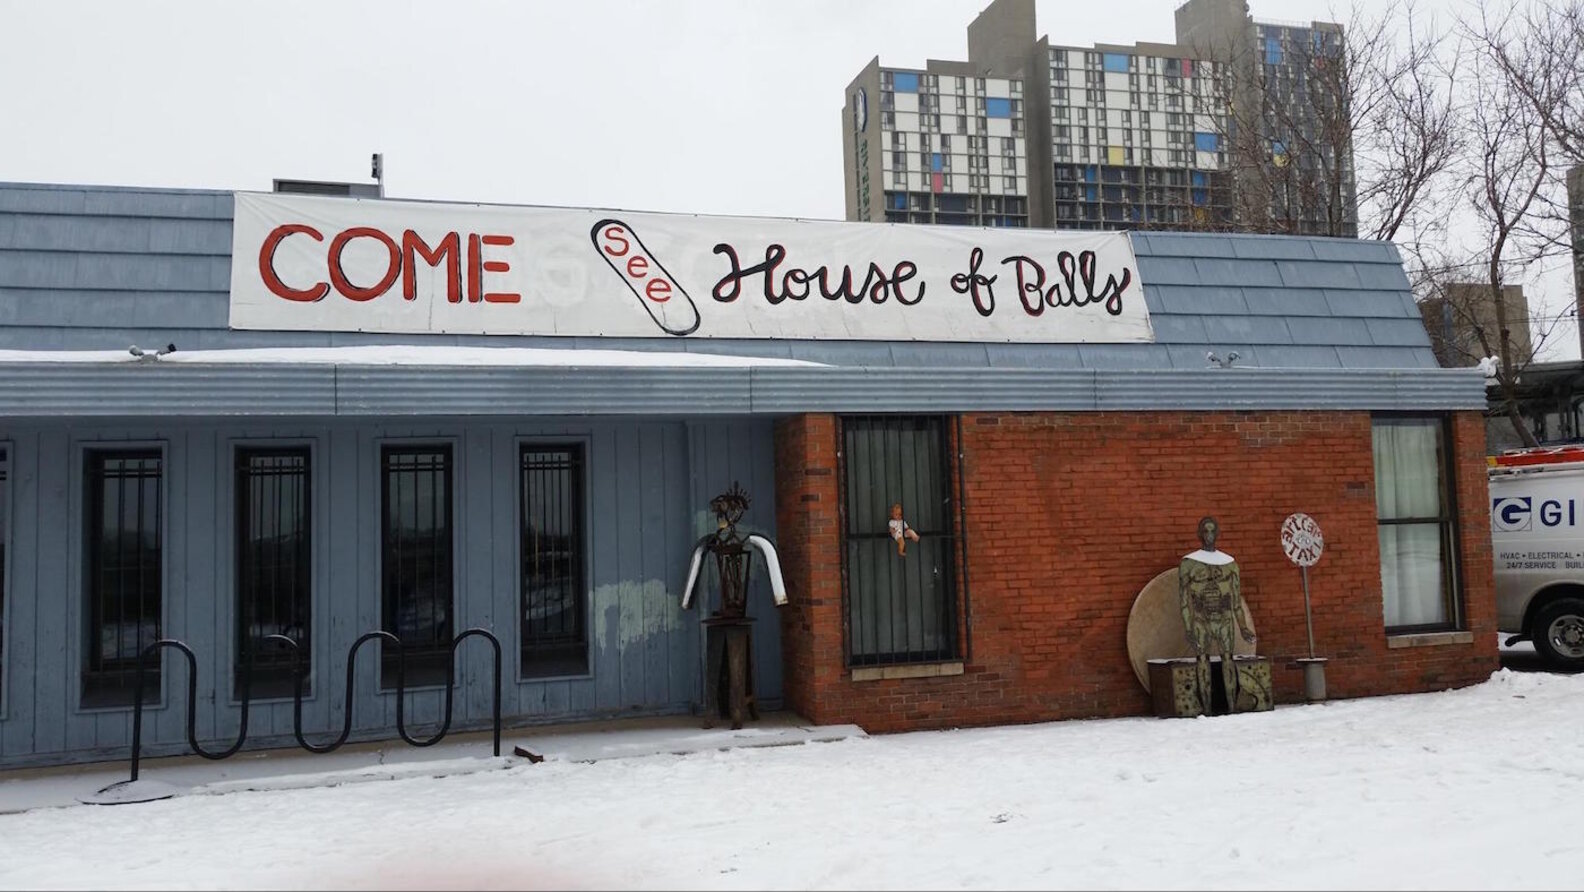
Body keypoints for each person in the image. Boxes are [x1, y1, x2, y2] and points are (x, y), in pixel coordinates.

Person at [1177, 516, 1256, 714]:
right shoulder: (1189, 564)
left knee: (1227, 659)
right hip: (1201, 619)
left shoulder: (1229, 564)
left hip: (1224, 618)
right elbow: (1185, 601)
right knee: (1202, 660)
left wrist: (1243, 627)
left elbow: (1236, 601)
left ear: (1217, 534)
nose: (1209, 536)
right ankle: (1206, 708)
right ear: (1199, 534)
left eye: (1212, 531)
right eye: (1205, 531)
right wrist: (1188, 628)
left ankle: (1231, 705)